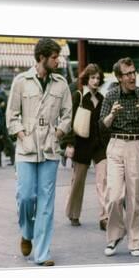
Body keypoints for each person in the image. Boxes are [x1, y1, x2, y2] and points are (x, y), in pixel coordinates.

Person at [6, 38, 72, 266]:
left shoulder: (61, 84)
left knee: (46, 203)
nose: (58, 60)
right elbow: (11, 116)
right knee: (26, 197)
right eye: (54, 57)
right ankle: (26, 233)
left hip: (50, 151)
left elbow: (67, 115)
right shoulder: (21, 82)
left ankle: (42, 254)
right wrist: (22, 136)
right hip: (25, 150)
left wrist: (59, 134)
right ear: (42, 57)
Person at [99, 57, 139, 257]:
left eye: (134, 72)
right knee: (114, 196)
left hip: (135, 144)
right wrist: (112, 115)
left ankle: (135, 241)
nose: (132, 77)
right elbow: (102, 125)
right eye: (128, 74)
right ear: (119, 77)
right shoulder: (111, 96)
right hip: (115, 144)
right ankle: (114, 236)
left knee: (134, 197)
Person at [61, 63, 110, 230]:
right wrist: (69, 144)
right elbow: (69, 120)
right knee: (78, 181)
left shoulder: (102, 99)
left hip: (99, 145)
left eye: (98, 78)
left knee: (103, 180)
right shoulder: (78, 95)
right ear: (86, 79)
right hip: (81, 144)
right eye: (93, 78)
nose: (96, 81)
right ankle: (73, 214)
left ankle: (105, 217)